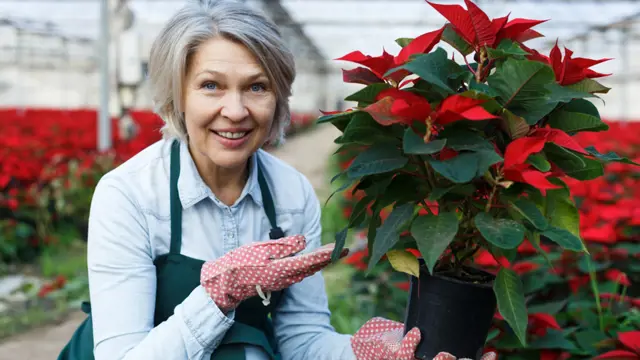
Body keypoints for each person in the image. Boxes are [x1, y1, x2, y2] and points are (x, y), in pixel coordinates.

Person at [57, 1, 497, 359]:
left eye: (256, 87)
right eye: (210, 86)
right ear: (178, 96)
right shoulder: (129, 195)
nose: (235, 110)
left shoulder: (289, 193)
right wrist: (215, 299)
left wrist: (363, 353)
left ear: (279, 98)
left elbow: (301, 339)